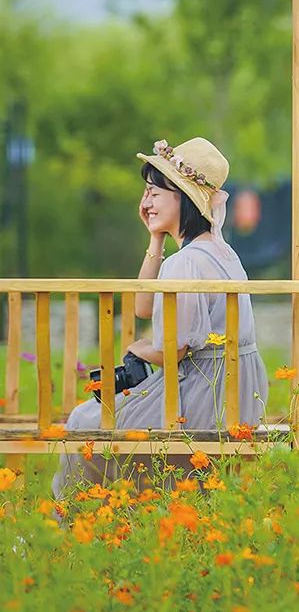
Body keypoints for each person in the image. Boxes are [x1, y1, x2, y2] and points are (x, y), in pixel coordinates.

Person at [50, 136, 269, 513]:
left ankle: (69, 520)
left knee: (83, 420)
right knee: (101, 423)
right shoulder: (218, 251)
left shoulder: (186, 263)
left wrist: (139, 350)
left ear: (182, 198)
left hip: (206, 389)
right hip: (238, 386)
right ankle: (119, 519)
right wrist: (155, 240)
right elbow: (143, 306)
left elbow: (175, 348)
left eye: (154, 192)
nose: (146, 202)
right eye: (146, 192)